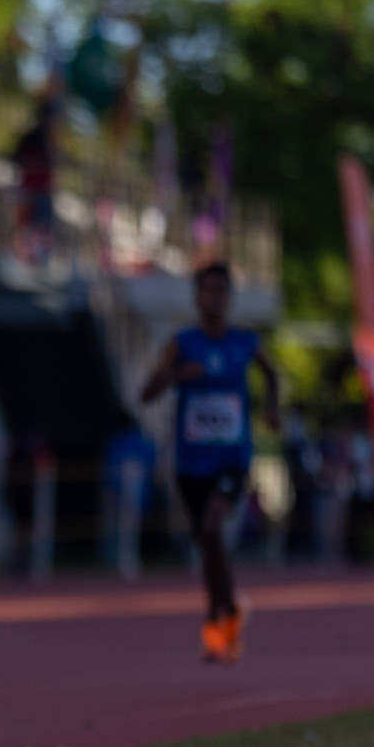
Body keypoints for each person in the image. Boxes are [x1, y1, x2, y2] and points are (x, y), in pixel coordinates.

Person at [142, 261, 278, 663]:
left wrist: (271, 409)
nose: (214, 299)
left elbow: (272, 376)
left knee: (212, 524)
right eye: (207, 291)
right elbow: (146, 394)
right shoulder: (182, 343)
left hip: (232, 458)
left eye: (221, 291)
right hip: (191, 462)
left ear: (230, 298)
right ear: (196, 298)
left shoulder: (246, 344)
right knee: (207, 541)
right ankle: (227, 611)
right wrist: (178, 376)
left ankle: (216, 616)